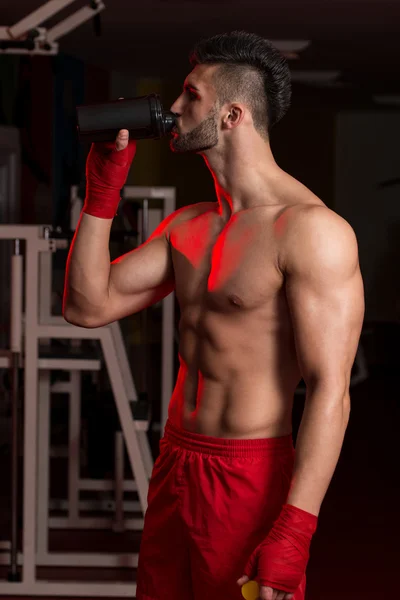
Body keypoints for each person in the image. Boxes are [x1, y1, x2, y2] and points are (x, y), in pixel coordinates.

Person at [63, 31, 365, 600]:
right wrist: (102, 191)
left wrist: (296, 527)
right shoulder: (190, 226)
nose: (173, 109)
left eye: (189, 95)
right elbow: (86, 305)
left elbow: (332, 390)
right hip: (175, 464)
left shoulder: (311, 232)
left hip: (248, 476)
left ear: (231, 115)